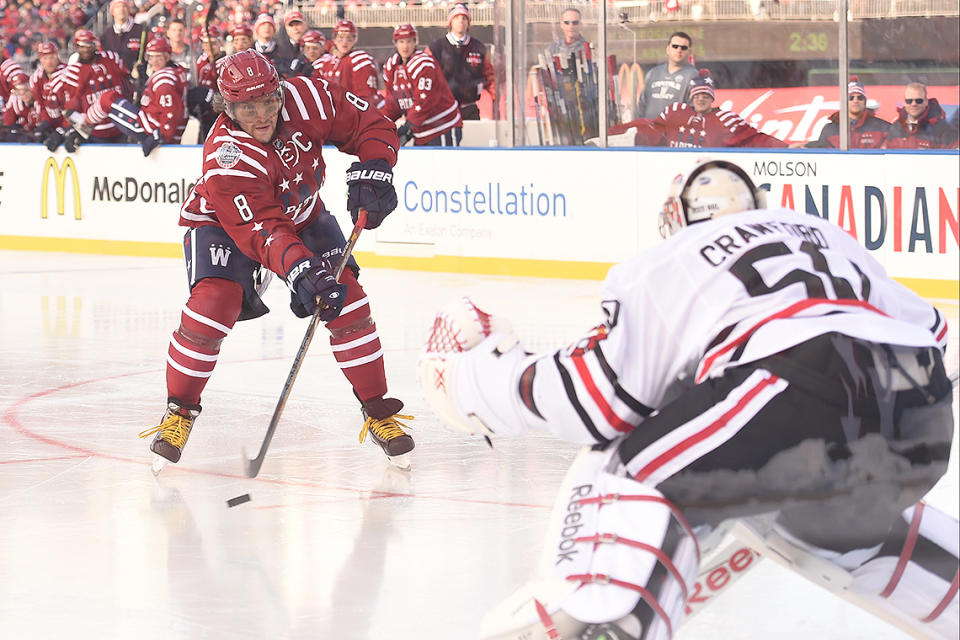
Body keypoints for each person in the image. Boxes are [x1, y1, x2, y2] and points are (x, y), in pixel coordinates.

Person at [418, 159, 957, 639]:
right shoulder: (823, 234)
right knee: (832, 526)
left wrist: (483, 381)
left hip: (795, 380)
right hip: (923, 408)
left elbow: (601, 400)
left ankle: (601, 622)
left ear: (677, 217)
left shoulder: (673, 257)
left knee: (625, 472)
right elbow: (938, 338)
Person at [138, 50, 415, 470]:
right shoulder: (225, 158)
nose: (263, 114)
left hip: (302, 212)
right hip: (226, 227)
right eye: (248, 107)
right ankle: (179, 411)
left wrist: (377, 165)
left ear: (280, 90)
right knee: (214, 306)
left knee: (349, 302)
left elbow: (367, 123)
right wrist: (300, 270)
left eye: (269, 100)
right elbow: (262, 231)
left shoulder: (308, 98)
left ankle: (379, 412)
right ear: (227, 107)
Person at [73, 37, 189, 156]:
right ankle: (84, 127)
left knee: (107, 99)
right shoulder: (177, 71)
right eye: (150, 57)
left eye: (158, 56)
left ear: (167, 56)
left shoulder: (164, 82)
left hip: (147, 128)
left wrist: (160, 135)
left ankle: (83, 128)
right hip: (152, 124)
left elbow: (173, 112)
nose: (154, 61)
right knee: (110, 98)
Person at [611, 69, 785, 148]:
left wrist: (785, 148)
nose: (701, 99)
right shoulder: (676, 112)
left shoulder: (726, 120)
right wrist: (611, 135)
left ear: (712, 98)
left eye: (705, 96)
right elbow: (649, 128)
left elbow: (755, 139)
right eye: (697, 96)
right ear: (691, 98)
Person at [46, 29, 130, 152]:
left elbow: (127, 84)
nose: (85, 50)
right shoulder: (73, 72)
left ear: (95, 45)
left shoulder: (111, 58)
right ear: (76, 47)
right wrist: (65, 131)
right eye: (81, 46)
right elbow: (71, 109)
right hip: (97, 134)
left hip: (121, 127)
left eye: (88, 45)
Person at [380, 23, 462, 147]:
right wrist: (379, 123)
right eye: (401, 41)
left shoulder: (424, 64)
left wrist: (409, 126)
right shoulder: (391, 67)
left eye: (409, 41)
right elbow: (393, 104)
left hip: (443, 128)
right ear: (395, 43)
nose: (405, 46)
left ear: (415, 42)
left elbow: (424, 101)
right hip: (420, 133)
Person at [428, 3, 496, 121]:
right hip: (443, 109)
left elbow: (491, 77)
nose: (461, 21)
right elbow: (426, 75)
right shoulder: (436, 48)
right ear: (450, 22)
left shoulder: (479, 48)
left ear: (468, 23)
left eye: (464, 18)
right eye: (456, 18)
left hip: (469, 108)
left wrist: (495, 99)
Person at [800, 76, 889, 149]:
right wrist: (801, 146)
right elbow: (821, 153)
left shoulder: (882, 127)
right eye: (851, 98)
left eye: (860, 97)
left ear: (865, 102)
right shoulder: (830, 129)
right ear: (844, 101)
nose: (855, 100)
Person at [312, 20, 379, 103]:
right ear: (334, 39)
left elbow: (366, 97)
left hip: (352, 111)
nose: (344, 42)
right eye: (340, 38)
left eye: (349, 39)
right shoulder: (324, 62)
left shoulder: (359, 60)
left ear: (355, 39)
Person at [636, 31, 697, 120]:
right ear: (668, 49)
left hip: (675, 132)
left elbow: (694, 110)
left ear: (689, 51)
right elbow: (642, 105)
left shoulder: (694, 76)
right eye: (675, 46)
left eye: (683, 48)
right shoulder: (653, 73)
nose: (679, 50)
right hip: (649, 130)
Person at [885, 82, 959, 149]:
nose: (913, 104)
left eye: (919, 101)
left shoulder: (942, 128)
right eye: (909, 101)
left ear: (926, 102)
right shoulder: (896, 127)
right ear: (904, 103)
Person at [99, 0, 146, 72]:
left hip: (136, 79)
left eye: (124, 6)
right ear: (112, 12)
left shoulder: (141, 30)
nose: (121, 9)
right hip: (113, 78)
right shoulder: (106, 34)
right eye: (117, 7)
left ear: (129, 10)